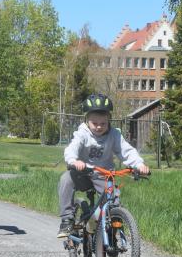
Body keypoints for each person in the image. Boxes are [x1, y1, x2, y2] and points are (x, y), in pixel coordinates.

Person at [57, 93, 150, 238]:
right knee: (66, 179)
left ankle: (112, 233)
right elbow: (72, 148)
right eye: (95, 123)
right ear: (86, 120)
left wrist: (139, 164)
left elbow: (126, 151)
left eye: (103, 123)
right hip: (83, 173)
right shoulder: (82, 133)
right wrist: (74, 161)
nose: (99, 127)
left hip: (104, 175)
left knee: (114, 202)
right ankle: (67, 219)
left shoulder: (114, 135)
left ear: (109, 121)